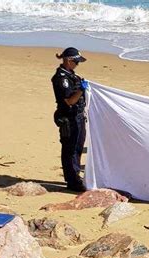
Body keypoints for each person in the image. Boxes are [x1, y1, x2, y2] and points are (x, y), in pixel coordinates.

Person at [51, 47, 89, 192]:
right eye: (76, 62)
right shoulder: (61, 79)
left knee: (78, 148)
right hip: (69, 118)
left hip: (78, 117)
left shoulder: (71, 75)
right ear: (68, 60)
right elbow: (69, 101)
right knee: (70, 149)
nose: (77, 65)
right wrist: (81, 90)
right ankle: (72, 181)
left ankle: (75, 176)